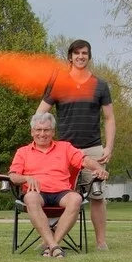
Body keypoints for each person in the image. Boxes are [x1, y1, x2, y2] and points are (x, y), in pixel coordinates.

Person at [36, 39, 114, 249]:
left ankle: (101, 242)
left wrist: (108, 147)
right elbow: (39, 114)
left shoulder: (100, 85)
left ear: (89, 57)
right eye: (77, 53)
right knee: (58, 196)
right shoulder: (58, 83)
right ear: (70, 57)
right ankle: (50, 241)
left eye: (85, 53)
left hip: (93, 149)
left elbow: (109, 118)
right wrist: (46, 142)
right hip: (63, 152)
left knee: (97, 196)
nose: (81, 56)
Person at [6, 111, 107, 257]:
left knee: (76, 199)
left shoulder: (65, 147)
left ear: (53, 131)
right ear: (32, 132)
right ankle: (54, 246)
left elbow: (84, 160)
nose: (42, 134)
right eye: (38, 130)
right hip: (37, 192)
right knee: (31, 198)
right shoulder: (23, 152)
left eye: (46, 130)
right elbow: (13, 176)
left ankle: (52, 246)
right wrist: (26, 178)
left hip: (61, 192)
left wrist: (98, 168)